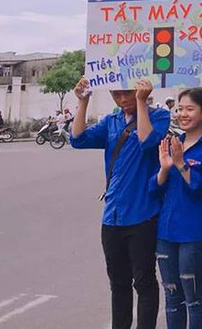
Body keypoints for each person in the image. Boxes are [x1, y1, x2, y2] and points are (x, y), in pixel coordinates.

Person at [71, 77, 171, 329]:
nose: (123, 99)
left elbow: (148, 142)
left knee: (144, 281)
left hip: (143, 214)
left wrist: (141, 102)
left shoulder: (159, 117)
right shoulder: (111, 122)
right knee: (118, 283)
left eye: (127, 93)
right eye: (117, 95)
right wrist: (82, 102)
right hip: (112, 216)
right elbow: (78, 139)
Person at [150, 89, 202, 329]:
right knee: (172, 298)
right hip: (166, 233)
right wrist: (163, 168)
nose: (183, 114)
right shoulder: (172, 144)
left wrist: (181, 165)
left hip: (195, 235)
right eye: (180, 109)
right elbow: (153, 189)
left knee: (194, 299)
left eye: (190, 109)